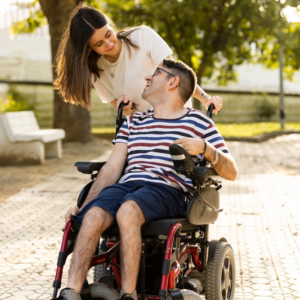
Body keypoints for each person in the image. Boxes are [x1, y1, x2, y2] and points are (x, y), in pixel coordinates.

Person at [56, 60, 237, 300]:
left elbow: (232, 171)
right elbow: (111, 170)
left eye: (156, 74)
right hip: (127, 185)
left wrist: (206, 148)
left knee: (128, 210)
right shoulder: (133, 121)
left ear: (173, 82)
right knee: (93, 215)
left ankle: (128, 295)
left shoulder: (198, 122)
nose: (147, 78)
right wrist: (83, 206)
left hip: (167, 189)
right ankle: (71, 293)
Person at [54, 4, 223, 117]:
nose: (109, 44)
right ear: (89, 49)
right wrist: (125, 108)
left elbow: (177, 75)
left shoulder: (142, 37)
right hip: (144, 128)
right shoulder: (96, 70)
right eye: (99, 44)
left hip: (175, 117)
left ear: (111, 26)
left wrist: (206, 98)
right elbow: (123, 110)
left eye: (108, 34)